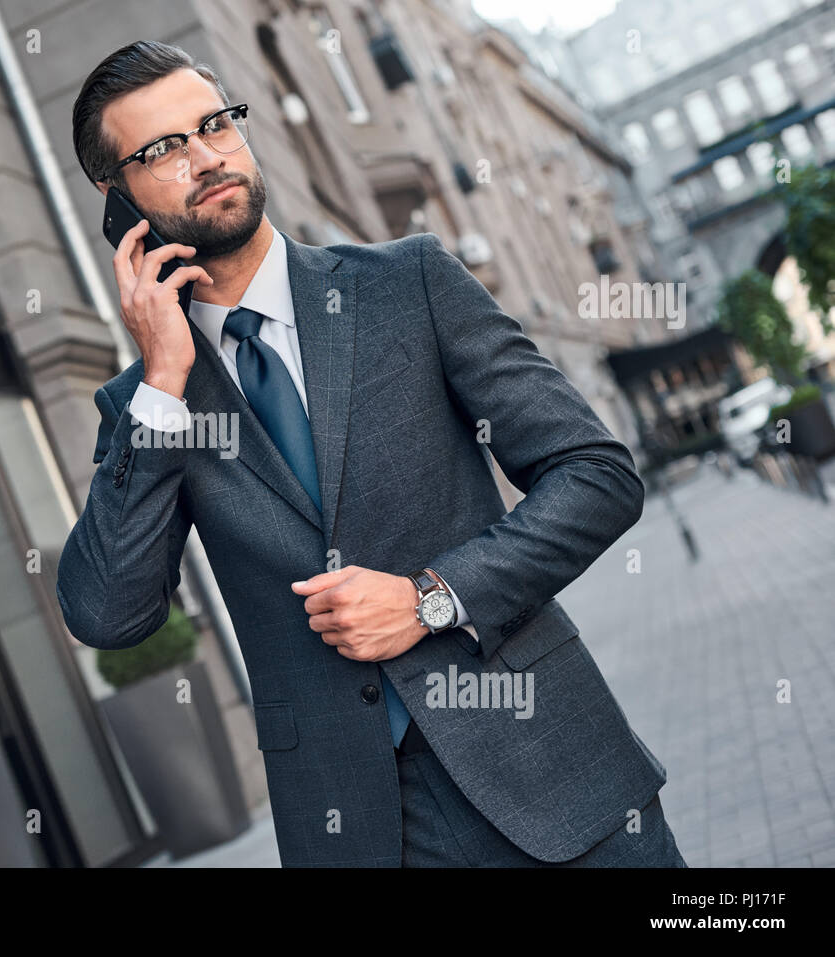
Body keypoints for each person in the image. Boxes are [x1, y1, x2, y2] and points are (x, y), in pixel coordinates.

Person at [58, 40, 686, 868]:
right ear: (116, 197)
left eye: (213, 124)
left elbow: (597, 474)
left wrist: (431, 596)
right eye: (164, 149)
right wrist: (164, 381)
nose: (206, 157)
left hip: (546, 763)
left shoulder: (408, 283)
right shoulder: (146, 405)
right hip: (357, 826)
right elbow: (109, 612)